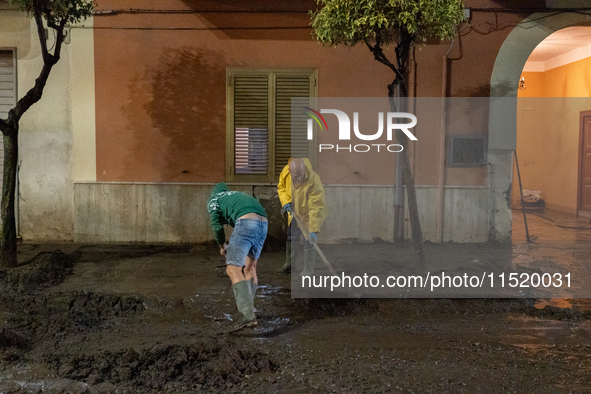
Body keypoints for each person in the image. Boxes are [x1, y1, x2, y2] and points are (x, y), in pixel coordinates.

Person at [207, 182, 268, 332]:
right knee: (250, 267)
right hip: (263, 222)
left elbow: (216, 226)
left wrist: (222, 246)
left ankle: (247, 316)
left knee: (233, 269)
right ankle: (249, 309)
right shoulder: (236, 196)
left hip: (246, 222)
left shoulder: (214, 199)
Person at [276, 158, 327, 276]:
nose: (299, 179)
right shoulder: (285, 173)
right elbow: (281, 188)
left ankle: (308, 271)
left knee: (308, 241)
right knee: (291, 237)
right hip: (294, 212)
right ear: (289, 171)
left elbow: (316, 206)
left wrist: (313, 229)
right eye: (296, 176)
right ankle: (289, 265)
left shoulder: (313, 179)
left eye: (301, 175)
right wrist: (286, 202)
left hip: (309, 215)